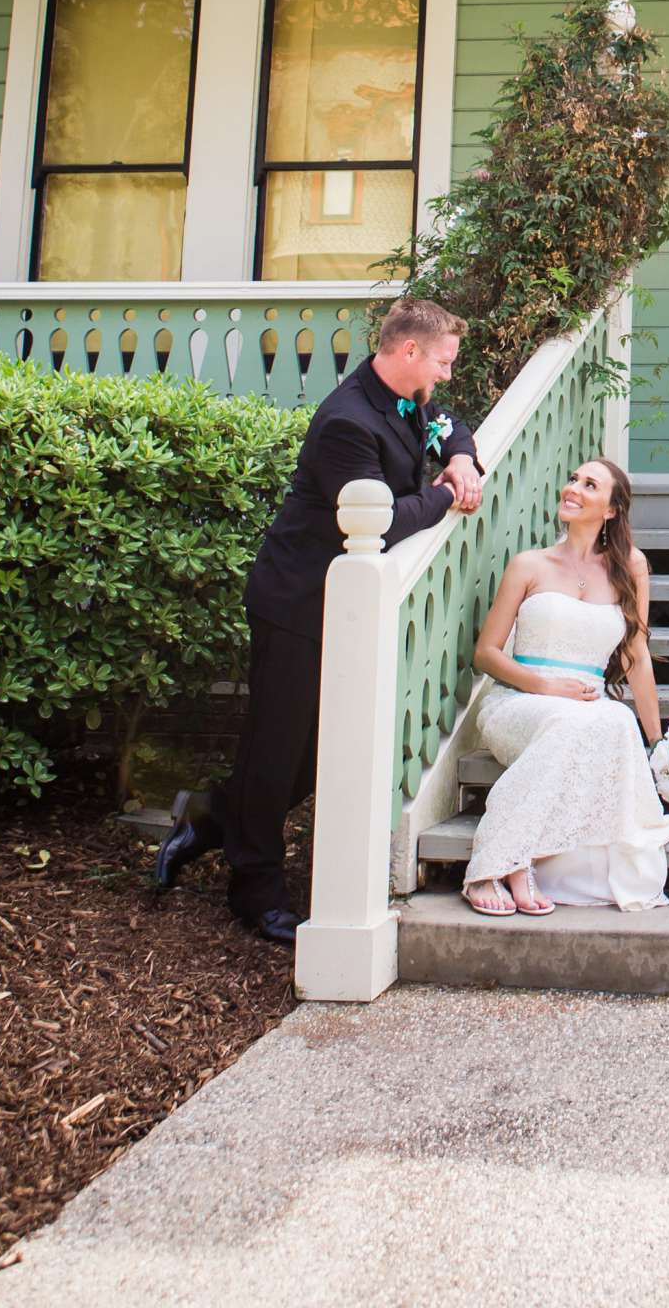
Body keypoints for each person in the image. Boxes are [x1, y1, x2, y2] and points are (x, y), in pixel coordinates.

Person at [156, 298, 484, 943]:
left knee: (318, 753)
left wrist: (463, 457)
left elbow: (444, 421)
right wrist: (445, 496)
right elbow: (381, 520)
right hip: (296, 603)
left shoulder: (403, 393)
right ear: (409, 352)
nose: (446, 375)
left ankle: (215, 816)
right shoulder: (346, 422)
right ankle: (253, 890)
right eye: (442, 362)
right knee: (277, 751)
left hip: (346, 607)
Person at [461, 456, 669, 916]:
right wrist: (546, 686)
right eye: (573, 479)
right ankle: (497, 864)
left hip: (586, 707)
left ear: (611, 510)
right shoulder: (529, 565)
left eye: (589, 484)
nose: (573, 488)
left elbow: (636, 656)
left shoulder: (630, 567)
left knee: (616, 719)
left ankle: (524, 860)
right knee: (567, 722)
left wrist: (658, 742)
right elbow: (486, 654)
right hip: (520, 702)